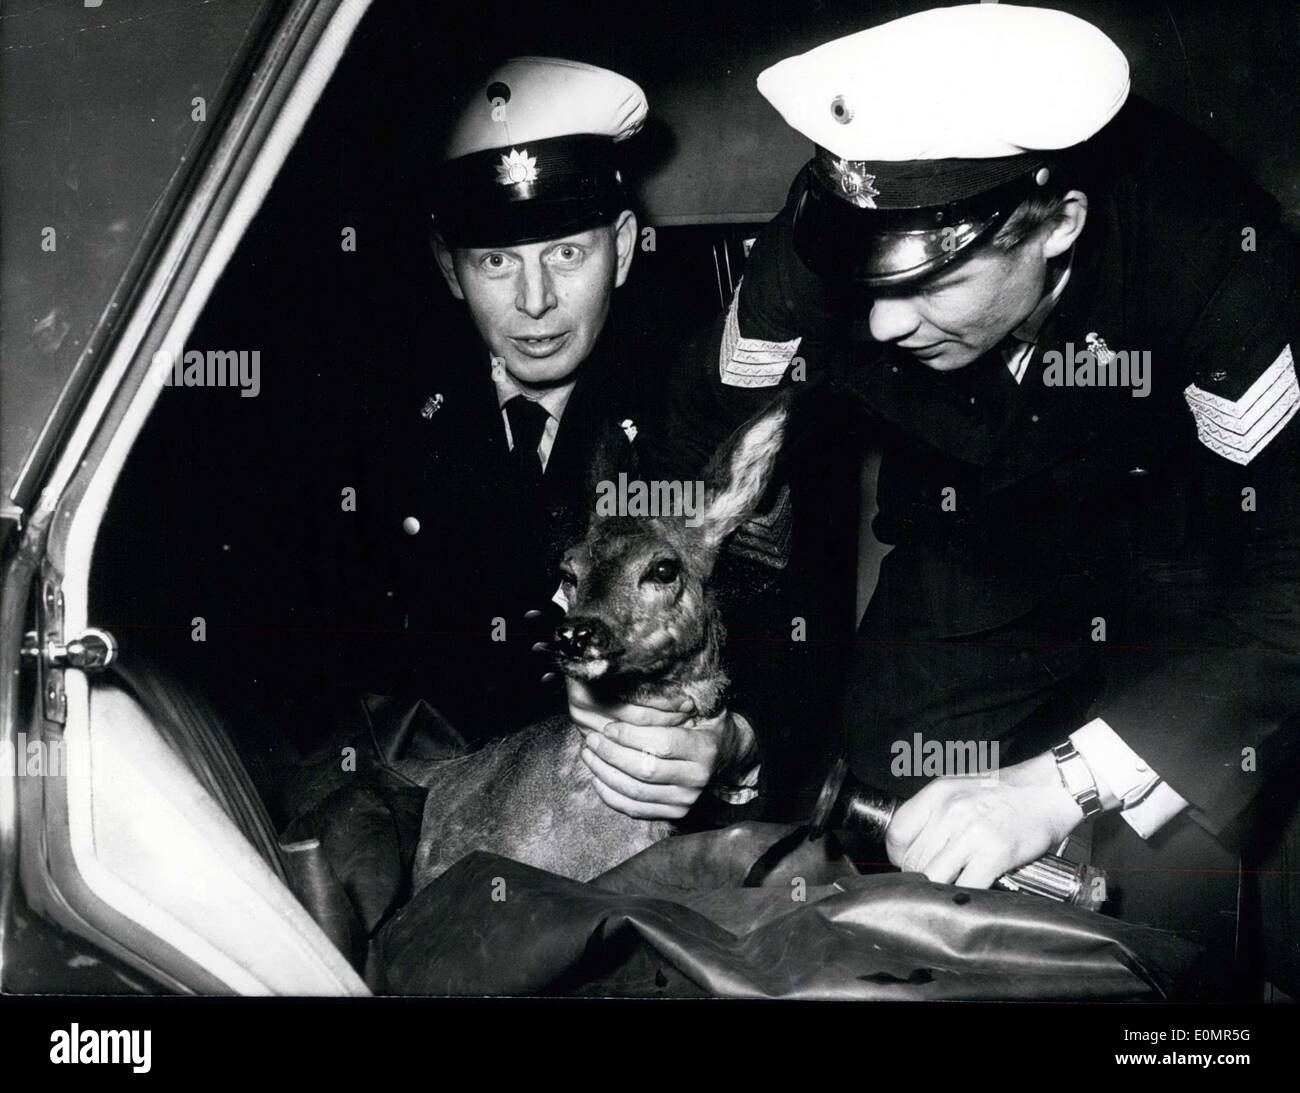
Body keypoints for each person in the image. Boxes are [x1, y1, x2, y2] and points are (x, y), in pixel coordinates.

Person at [570, 4, 1300, 960]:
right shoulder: (818, 241)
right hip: (980, 544)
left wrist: (1057, 785)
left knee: (1159, 909)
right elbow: (678, 472)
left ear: (1058, 228)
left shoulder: (1212, 250)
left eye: (930, 285)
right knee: (884, 836)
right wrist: (644, 675)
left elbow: (1288, 576)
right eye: (872, 288)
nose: (879, 328)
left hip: (1201, 583)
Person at [337, 56, 650, 746]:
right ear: (451, 268)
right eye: (497, 261)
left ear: (622, 251)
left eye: (566, 254)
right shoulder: (383, 419)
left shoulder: (679, 418)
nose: (535, 303)